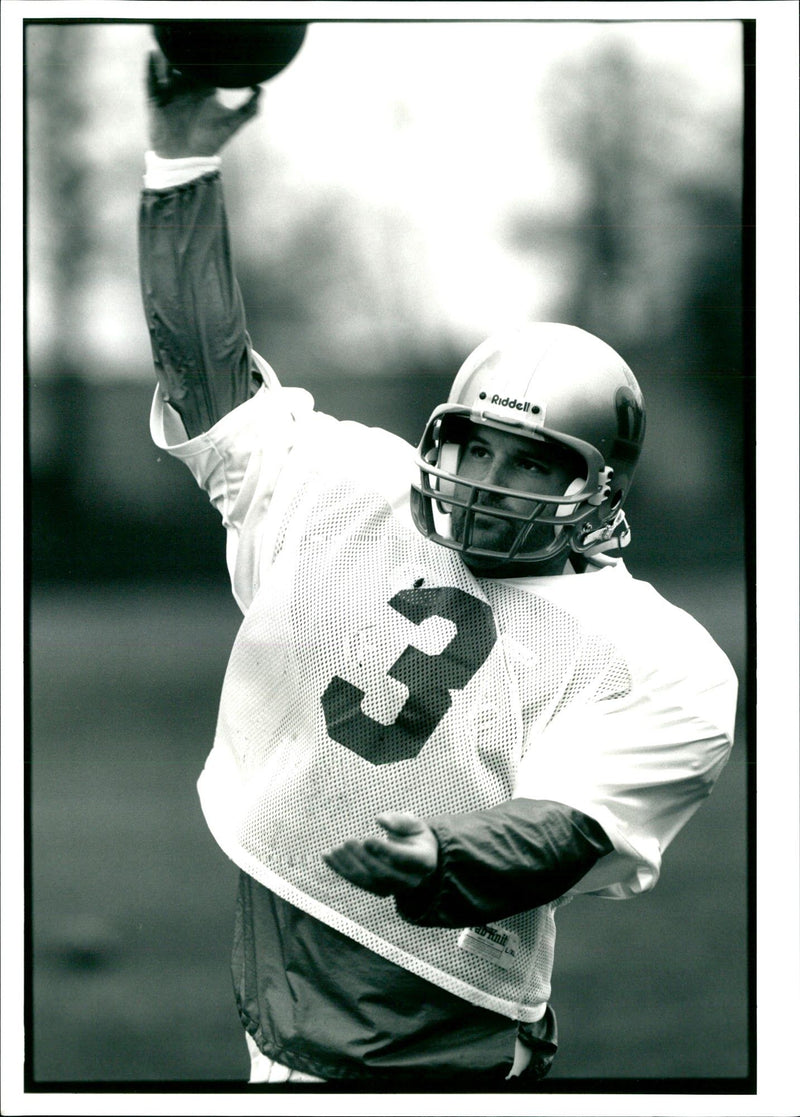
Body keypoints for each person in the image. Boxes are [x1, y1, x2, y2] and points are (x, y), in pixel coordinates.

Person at [138, 52, 738, 1089]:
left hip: (438, 1031)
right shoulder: (341, 489)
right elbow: (202, 373)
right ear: (439, 440)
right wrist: (178, 161)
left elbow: (566, 823)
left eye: (535, 461)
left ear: (599, 487)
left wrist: (446, 860)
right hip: (277, 994)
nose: (494, 480)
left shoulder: (655, 657)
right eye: (476, 447)